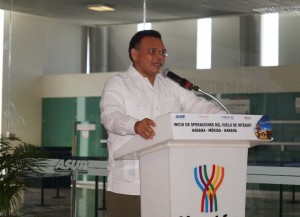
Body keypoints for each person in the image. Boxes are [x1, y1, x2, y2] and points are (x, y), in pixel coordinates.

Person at [99, 29, 226, 217]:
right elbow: (110, 115)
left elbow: (198, 106)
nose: (159, 57)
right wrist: (134, 125)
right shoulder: (118, 83)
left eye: (162, 52)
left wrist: (226, 119)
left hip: (167, 185)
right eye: (152, 51)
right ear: (134, 54)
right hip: (129, 187)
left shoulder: (171, 84)